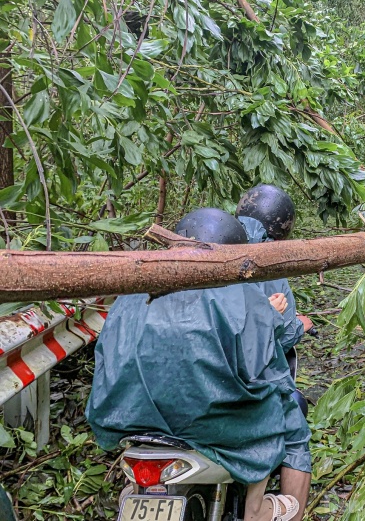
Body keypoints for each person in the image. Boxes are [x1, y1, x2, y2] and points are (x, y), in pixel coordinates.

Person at [85, 208, 306, 521]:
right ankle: (263, 510)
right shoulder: (241, 294)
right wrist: (270, 318)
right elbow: (263, 366)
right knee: (291, 423)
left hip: (130, 420)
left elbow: (107, 358)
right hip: (208, 424)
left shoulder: (132, 293)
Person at [236, 184, 313, 520]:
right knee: (295, 434)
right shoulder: (269, 262)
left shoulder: (208, 244)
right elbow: (275, 338)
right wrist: (298, 326)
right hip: (234, 381)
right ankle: (290, 513)